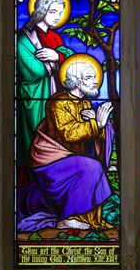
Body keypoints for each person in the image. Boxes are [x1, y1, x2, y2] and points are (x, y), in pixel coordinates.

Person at [17, 55, 114, 232]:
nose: (95, 82)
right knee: (91, 167)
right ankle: (65, 219)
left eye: (95, 77)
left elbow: (91, 133)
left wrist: (103, 127)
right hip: (49, 160)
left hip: (69, 157)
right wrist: (96, 124)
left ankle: (88, 217)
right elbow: (68, 134)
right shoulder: (58, 102)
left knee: (92, 165)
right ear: (77, 82)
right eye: (89, 77)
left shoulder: (84, 102)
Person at [17, 0, 74, 176]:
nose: (57, 17)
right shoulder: (24, 38)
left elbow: (70, 63)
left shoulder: (56, 38)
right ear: (41, 11)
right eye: (53, 12)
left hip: (56, 95)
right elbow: (32, 70)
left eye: (59, 12)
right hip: (36, 98)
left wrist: (56, 55)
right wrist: (54, 63)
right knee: (38, 139)